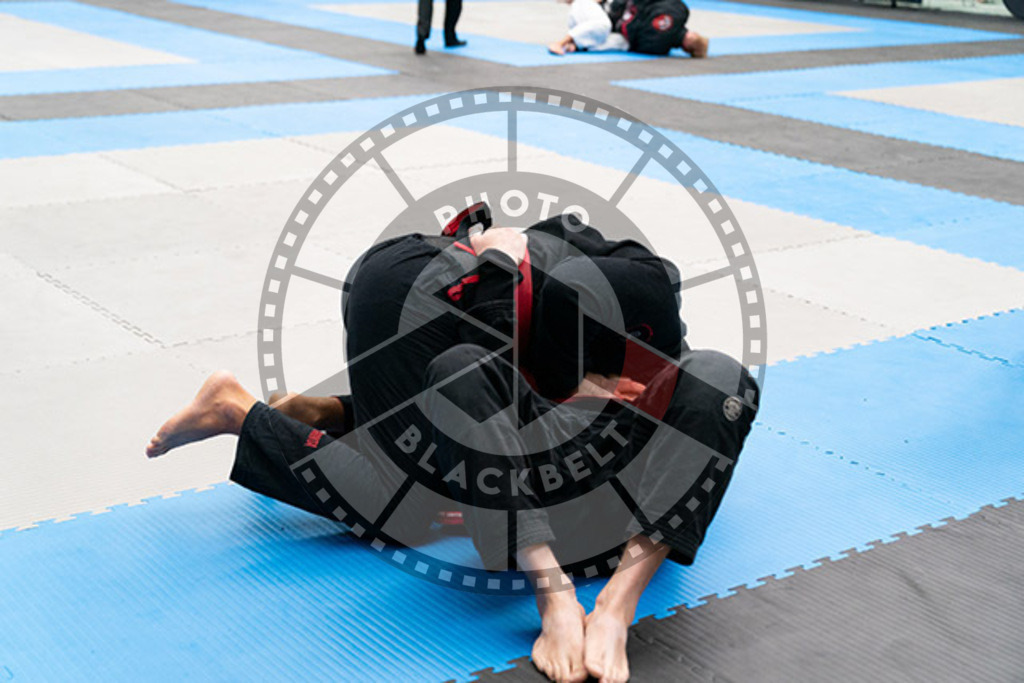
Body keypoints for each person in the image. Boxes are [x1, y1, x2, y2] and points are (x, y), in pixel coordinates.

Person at [147, 212, 757, 683]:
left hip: (425, 288)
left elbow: (713, 391)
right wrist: (554, 596)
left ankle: (334, 412)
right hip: (437, 304)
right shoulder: (586, 324)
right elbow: (480, 360)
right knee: (403, 504)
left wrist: (616, 606)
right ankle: (240, 411)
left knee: (439, 440)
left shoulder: (641, 314)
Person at [548, 0, 709, 58]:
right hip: (590, 9)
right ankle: (563, 42)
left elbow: (635, 42)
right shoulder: (679, 10)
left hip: (594, 26)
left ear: (687, 48)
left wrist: (631, 24)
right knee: (605, 27)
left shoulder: (659, 49)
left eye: (693, 44)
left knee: (622, 43)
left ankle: (576, 45)